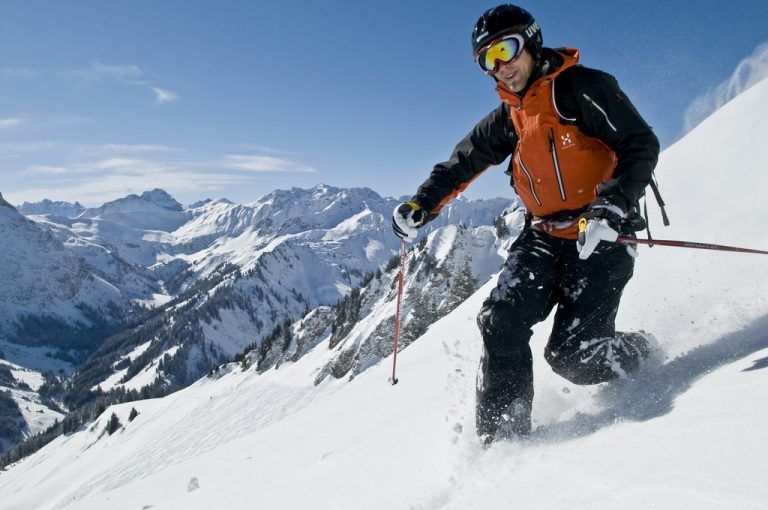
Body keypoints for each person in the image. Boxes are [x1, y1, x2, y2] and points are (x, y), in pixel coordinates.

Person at [392, 4, 660, 442]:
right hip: (543, 233)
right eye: (487, 61)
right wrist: (422, 204)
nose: (501, 67)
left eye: (506, 49)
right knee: (500, 321)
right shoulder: (510, 115)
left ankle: (639, 349)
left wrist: (611, 206)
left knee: (573, 356)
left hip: (602, 234)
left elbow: (640, 143)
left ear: (531, 42)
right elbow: (463, 162)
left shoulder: (581, 88)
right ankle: (503, 443)